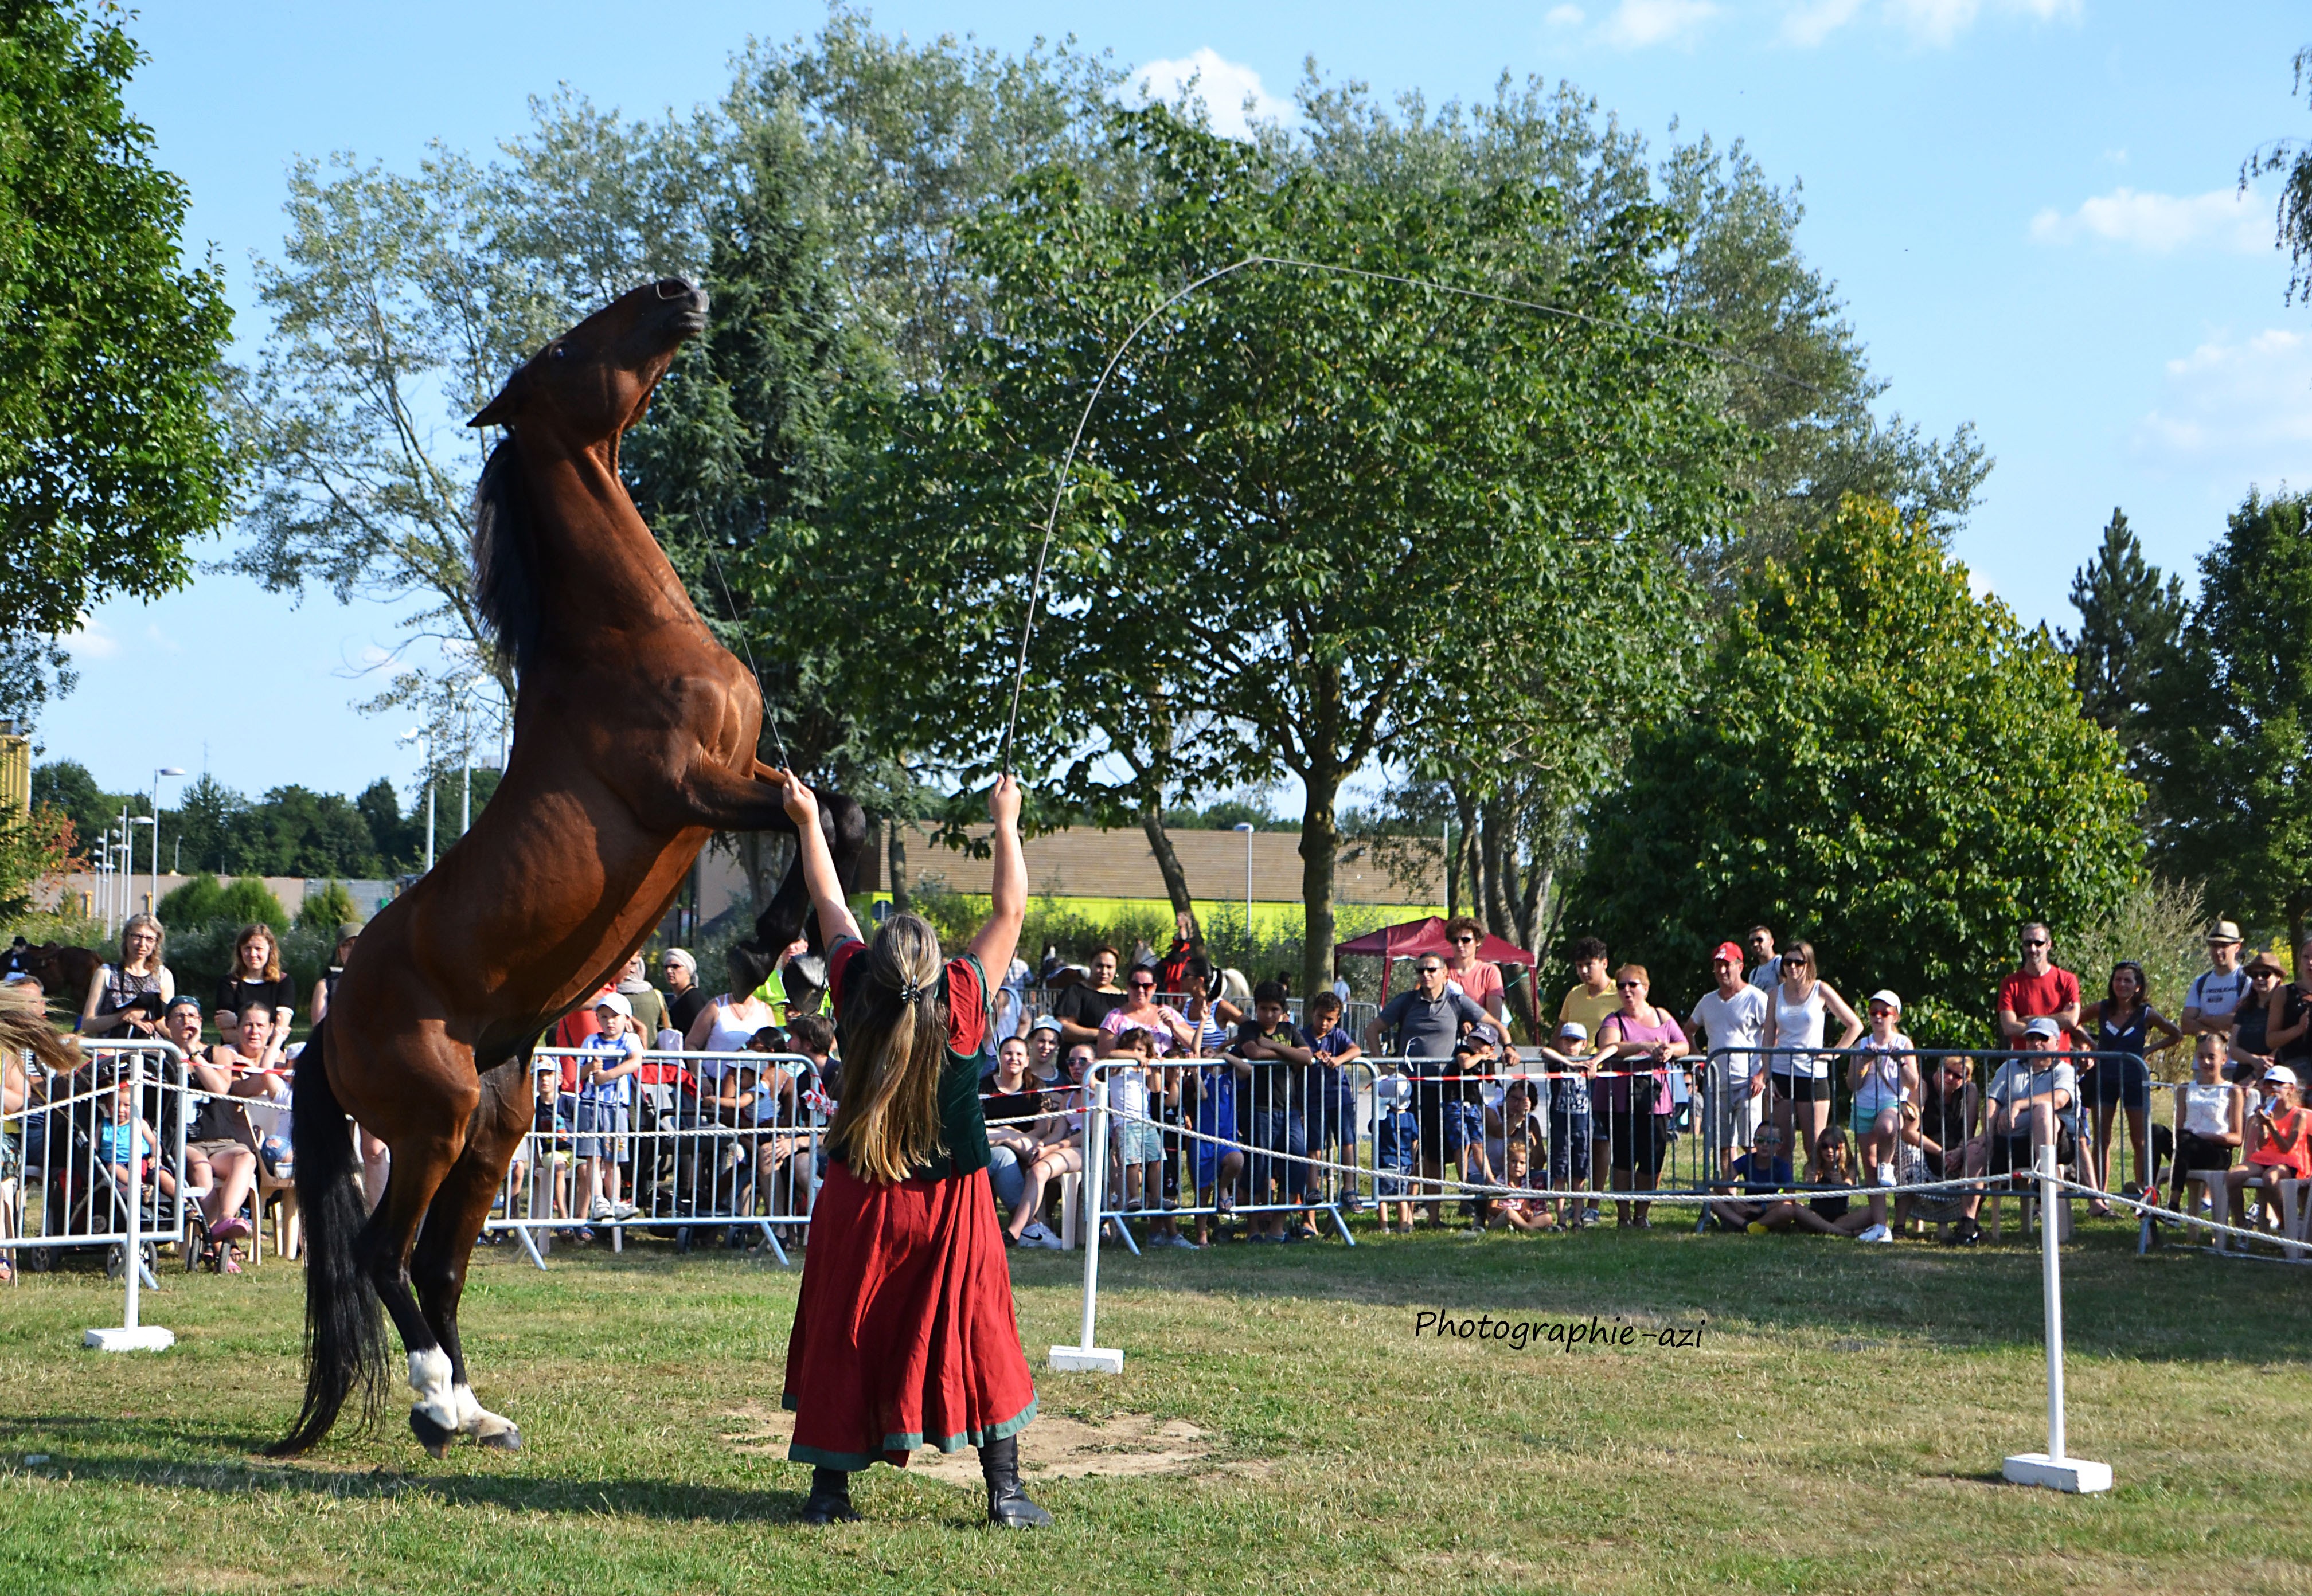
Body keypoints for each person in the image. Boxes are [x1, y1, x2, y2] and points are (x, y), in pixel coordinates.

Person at [776, 769, 1048, 1531]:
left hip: (861, 1198)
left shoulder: (855, 988)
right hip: (955, 1205)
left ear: (882, 964)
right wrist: (1007, 819)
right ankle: (1007, 1495)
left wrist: (807, 823)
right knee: (982, 1331)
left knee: (847, 1330)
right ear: (937, 967)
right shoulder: (964, 999)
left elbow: (829, 904)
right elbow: (1011, 907)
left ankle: (829, 1495)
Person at [1366, 957, 1489, 1227]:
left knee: (1433, 1156)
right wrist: (1384, 1067)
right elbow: (1372, 1030)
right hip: (1407, 1091)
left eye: (1432, 969)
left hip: (1443, 1090)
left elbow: (1493, 1022)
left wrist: (1505, 1045)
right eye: (1420, 970)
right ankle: (1403, 1217)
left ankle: (1433, 1217)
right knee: (1405, 1153)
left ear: (1445, 973)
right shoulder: (1406, 1001)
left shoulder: (1457, 1001)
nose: (1425, 974)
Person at [1948, 1018, 2079, 1246]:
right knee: (1976, 1150)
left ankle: (2043, 1178)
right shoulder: (2010, 1067)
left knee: (2044, 1111)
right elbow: (1991, 1102)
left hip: (2053, 1145)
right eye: (2030, 1038)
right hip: (2009, 1141)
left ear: (2056, 1043)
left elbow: (2060, 1099)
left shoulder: (2065, 1070)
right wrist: (1987, 1135)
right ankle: (1968, 1226)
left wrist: (2018, 1105)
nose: (2035, 1043)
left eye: (2042, 1038)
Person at [2083, 961, 2184, 1216]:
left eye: (2128, 981)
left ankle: (2140, 1194)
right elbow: (2074, 1022)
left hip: (2134, 1079)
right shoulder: (2102, 1008)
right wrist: (2092, 1046)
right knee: (2102, 1139)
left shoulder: (2146, 1013)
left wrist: (2148, 1051)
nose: (2122, 985)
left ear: (2138, 986)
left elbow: (2176, 1034)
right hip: (2104, 1077)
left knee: (2139, 1140)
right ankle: (2099, 1198)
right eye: (2118, 979)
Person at [1595, 966, 1689, 1229]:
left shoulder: (1661, 1015)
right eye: (1622, 985)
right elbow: (1610, 1045)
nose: (1627, 990)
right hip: (1621, 1101)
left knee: (1653, 1158)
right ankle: (1623, 1216)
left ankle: (1642, 1214)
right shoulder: (1615, 1020)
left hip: (1656, 1100)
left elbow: (1684, 1044)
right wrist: (1644, 1046)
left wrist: (1671, 1050)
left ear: (1645, 988)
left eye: (1632, 985)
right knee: (1624, 1158)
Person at [1761, 941, 1861, 1167]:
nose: (1793, 967)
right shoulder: (1775, 994)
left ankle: (1820, 1198)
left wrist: (1834, 1054)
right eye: (1788, 962)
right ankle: (1787, 1199)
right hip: (1781, 1073)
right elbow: (1767, 1040)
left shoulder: (1821, 989)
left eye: (1799, 962)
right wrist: (1767, 1078)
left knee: (1816, 1146)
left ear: (1808, 964)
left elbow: (1855, 1025)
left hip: (1813, 1074)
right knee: (1783, 1144)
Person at [1234, 980, 1315, 1242]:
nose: (1269, 1015)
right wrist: (1287, 1054)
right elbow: (1254, 1052)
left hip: (1290, 1110)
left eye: (1275, 1009)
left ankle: (1277, 1228)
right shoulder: (1248, 1028)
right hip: (1258, 1109)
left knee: (1297, 1166)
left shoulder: (1290, 1030)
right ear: (1256, 1008)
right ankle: (1252, 1229)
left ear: (1283, 1010)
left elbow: (1307, 1057)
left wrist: (1277, 1047)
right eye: (1264, 1009)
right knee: (1257, 1169)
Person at [1689, 941, 1770, 1175]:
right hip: (1717, 1086)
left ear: (1740, 966)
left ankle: (1757, 1195)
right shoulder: (1707, 1001)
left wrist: (1761, 1076)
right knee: (1722, 1146)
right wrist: (1700, 1060)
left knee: (1751, 1144)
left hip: (1748, 1084)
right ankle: (1728, 1199)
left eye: (1727, 965)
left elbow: (1773, 1038)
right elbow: (1689, 1031)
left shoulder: (1755, 998)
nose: (1722, 971)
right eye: (1718, 966)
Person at [1848, 991, 1919, 1243]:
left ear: (1895, 1016)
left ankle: (1888, 1165)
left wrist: (1900, 1062)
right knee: (1869, 1167)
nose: (1878, 1017)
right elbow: (1852, 1084)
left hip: (1891, 1103)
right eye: (1873, 1012)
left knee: (1887, 1126)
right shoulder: (1863, 1043)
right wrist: (1863, 1064)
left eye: (1884, 1012)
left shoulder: (1904, 1043)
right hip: (1864, 1105)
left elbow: (1913, 1082)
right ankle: (1881, 1226)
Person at [575, 992, 642, 1226]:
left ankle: (614, 1200)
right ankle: (598, 1200)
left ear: (626, 1019)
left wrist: (606, 1076)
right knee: (593, 1156)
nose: (609, 1022)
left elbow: (635, 1061)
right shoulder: (591, 1041)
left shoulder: (630, 1040)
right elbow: (578, 1074)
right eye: (603, 1017)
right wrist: (590, 1069)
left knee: (614, 1158)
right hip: (590, 1105)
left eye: (615, 1016)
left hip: (617, 1106)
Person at [2224, 1066, 2310, 1237]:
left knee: (2270, 1179)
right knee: (2233, 1176)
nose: (2273, 1089)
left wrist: (2271, 1125)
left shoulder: (2298, 1115)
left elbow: (2287, 1148)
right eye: (2269, 1085)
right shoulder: (2268, 1111)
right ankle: (2241, 1226)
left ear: (2291, 1089)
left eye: (2279, 1085)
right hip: (2266, 1158)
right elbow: (2263, 1145)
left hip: (2290, 1160)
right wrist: (2263, 1124)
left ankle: (2286, 1226)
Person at [2167, 1032, 2244, 1222]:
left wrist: (2206, 1137)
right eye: (2201, 1057)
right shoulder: (2185, 1089)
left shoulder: (2232, 1091)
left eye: (2212, 1057)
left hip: (2215, 1152)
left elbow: (2237, 1138)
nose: (2206, 1062)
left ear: (2223, 1060)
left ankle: (2173, 1205)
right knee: (2156, 1132)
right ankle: (2149, 1192)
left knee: (2185, 1139)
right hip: (2185, 1147)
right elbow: (2179, 1129)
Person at [1746, 1130, 1878, 1237]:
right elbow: (1805, 1185)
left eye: (1835, 1147)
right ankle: (1844, 1233)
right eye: (1825, 1146)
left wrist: (1842, 1183)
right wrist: (1810, 1183)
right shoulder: (1813, 1166)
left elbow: (1850, 1184)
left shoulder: (1849, 1168)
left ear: (1843, 1149)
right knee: (1796, 1207)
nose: (1830, 1150)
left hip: (1840, 1218)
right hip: (1815, 1215)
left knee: (1873, 1211)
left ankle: (1824, 1229)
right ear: (1819, 1148)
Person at [1302, 991, 1361, 1211]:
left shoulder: (1338, 1036)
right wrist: (1311, 1056)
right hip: (1313, 1098)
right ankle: (1313, 1187)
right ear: (1312, 1014)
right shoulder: (1303, 1036)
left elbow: (1356, 1049)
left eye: (1330, 1019)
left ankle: (1350, 1188)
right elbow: (1299, 1054)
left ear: (1337, 1020)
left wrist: (1338, 1060)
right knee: (1314, 1144)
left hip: (1340, 1097)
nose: (1324, 1023)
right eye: (1320, 1017)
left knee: (1347, 1141)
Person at [1536, 1020, 1597, 1228]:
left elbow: (1608, 1052)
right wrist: (1571, 1065)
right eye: (1567, 1040)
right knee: (1559, 1175)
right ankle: (1561, 1218)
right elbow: (1544, 1051)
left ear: (1584, 1044)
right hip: (1561, 1126)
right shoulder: (1558, 1062)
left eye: (1576, 1041)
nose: (1571, 1045)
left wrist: (1593, 1063)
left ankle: (1578, 1219)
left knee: (1579, 1177)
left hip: (1582, 1127)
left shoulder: (1590, 1062)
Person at [79, 913, 173, 1040]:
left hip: (151, 1053)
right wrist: (123, 1017)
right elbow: (88, 1024)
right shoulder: (106, 973)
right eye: (137, 936)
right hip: (112, 1052)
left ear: (156, 943)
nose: (142, 944)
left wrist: (145, 1014)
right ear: (126, 937)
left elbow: (169, 1029)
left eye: (149, 939)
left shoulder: (163, 975)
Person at [212, 924, 297, 1051]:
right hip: (234, 1057)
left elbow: (281, 1031)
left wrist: (236, 1021)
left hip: (272, 1057)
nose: (253, 954)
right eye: (247, 948)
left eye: (258, 948)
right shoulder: (228, 983)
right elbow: (228, 1035)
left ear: (270, 950)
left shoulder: (283, 983)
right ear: (240, 951)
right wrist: (265, 1032)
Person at [1997, 922, 2083, 1043]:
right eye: (2028, 944)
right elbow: (2009, 1027)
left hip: (2058, 1060)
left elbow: (2072, 1020)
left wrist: (2029, 1020)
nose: (2033, 949)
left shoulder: (2067, 979)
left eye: (2038, 943)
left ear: (2048, 945)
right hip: (2024, 1060)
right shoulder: (2010, 984)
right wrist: (2057, 1021)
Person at [1706, 1120, 1794, 1231]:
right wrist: (1737, 1203)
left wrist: (1761, 1208)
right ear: (1754, 1142)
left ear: (1779, 1145)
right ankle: (1746, 1226)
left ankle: (1753, 1225)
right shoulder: (1746, 1160)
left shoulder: (1782, 1166)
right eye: (1761, 1140)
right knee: (1710, 1196)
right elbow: (1721, 1185)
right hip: (1745, 1209)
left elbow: (1791, 1198)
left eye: (1771, 1141)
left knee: (1788, 1209)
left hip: (1769, 1211)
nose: (1765, 1145)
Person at [1099, 967, 1195, 1057]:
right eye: (1135, 985)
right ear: (1128, 987)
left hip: (1165, 1074)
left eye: (1147, 986)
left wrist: (1174, 1027)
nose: (1140, 990)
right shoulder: (1115, 1017)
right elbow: (1104, 1054)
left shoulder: (1167, 1012)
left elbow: (1195, 1043)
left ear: (1154, 988)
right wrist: (1135, 1056)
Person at [2182, 921, 2251, 1039]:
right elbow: (2186, 1025)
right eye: (2214, 945)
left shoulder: (2248, 980)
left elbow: (2241, 1020)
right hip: (2203, 1056)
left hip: (2236, 1056)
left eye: (2224, 946)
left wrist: (2202, 1020)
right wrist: (2219, 1032)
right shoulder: (2200, 983)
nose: (2218, 951)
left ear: (2237, 947)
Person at [1050, 946, 1126, 1049]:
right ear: (1090, 965)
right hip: (1079, 1059)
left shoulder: (1125, 997)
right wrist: (1102, 1034)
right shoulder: (1075, 991)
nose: (1104, 971)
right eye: (1099, 966)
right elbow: (1065, 1028)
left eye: (1109, 967)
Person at [2230, 953, 2286, 1081]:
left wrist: (2253, 1077)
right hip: (2241, 1080)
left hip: (2273, 1081)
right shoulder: (2244, 1009)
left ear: (2278, 977)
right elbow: (2233, 1048)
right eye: (2255, 976)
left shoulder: (2285, 1009)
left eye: (2265, 974)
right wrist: (2254, 1060)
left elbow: (2282, 1047)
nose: (2260, 979)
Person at [2260, 938, 2312, 1076]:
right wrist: (2298, 1029)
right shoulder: (2284, 993)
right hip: (2294, 1069)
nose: (2310, 963)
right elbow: (2271, 1041)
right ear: (2299, 961)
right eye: (2306, 957)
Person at [1440, 915, 1506, 1023]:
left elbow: (1495, 1018)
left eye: (1466, 940)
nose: (1460, 945)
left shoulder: (1489, 972)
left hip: (1481, 1035)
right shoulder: (1439, 970)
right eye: (1455, 940)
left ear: (1478, 942)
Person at [1556, 937, 1618, 1049]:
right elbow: (1557, 1039)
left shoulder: (1621, 993)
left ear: (1604, 963)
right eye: (1580, 966)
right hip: (1575, 1064)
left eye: (1589, 964)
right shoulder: (1574, 995)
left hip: (1608, 1064)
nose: (1584, 971)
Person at [307, 922, 361, 1025]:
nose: (352, 949)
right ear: (339, 951)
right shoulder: (326, 986)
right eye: (346, 945)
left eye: (358, 943)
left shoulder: (378, 982)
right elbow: (319, 1028)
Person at [614, 951, 670, 1049]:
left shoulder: (613, 994)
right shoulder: (656, 996)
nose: (633, 970)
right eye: (632, 964)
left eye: (635, 964)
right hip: (652, 1056)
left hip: (620, 1055)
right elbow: (666, 1027)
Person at [661, 948, 709, 1038]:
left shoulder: (693, 998)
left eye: (675, 967)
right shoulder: (677, 998)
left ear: (688, 971)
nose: (669, 971)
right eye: (666, 967)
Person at [1025, 1014, 1063, 1083]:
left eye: (1052, 1043)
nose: (1046, 1047)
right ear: (1031, 1041)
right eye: (1042, 1041)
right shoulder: (1019, 1076)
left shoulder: (1065, 1080)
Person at [1745, 926, 1784, 991]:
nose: (1755, 944)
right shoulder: (1753, 974)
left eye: (1760, 940)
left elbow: (1788, 991)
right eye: (1752, 942)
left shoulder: (1780, 963)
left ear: (1771, 942)